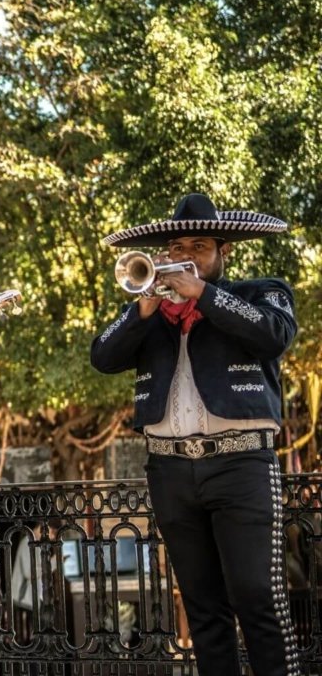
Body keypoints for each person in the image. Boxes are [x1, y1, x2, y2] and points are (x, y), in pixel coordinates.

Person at [91, 193, 300, 676]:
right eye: (176, 246)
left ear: (223, 251)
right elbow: (102, 357)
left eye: (200, 246)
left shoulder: (261, 292)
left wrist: (201, 293)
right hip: (169, 468)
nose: (186, 255)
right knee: (203, 607)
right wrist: (143, 308)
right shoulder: (150, 312)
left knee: (258, 597)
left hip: (241, 462)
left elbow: (275, 335)